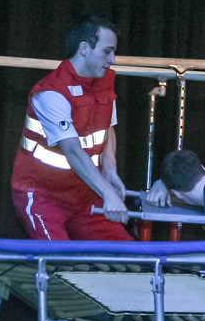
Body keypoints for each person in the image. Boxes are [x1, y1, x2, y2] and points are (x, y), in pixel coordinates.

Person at [11, 15, 133, 241]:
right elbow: (73, 151)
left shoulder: (105, 82)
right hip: (43, 196)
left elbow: (107, 128)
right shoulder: (51, 92)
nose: (113, 60)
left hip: (84, 195)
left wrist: (110, 169)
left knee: (126, 253)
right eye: (107, 51)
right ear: (84, 48)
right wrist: (107, 192)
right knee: (58, 257)